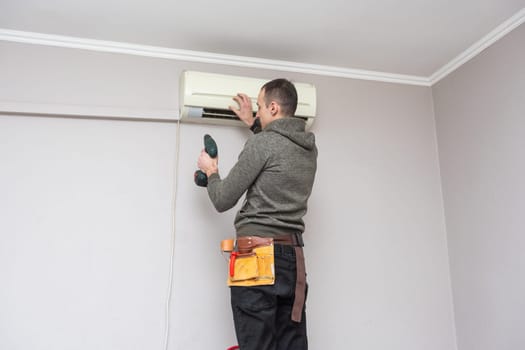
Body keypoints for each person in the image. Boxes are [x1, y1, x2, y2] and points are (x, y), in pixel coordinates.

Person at [197, 78, 317, 350]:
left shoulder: (263, 144)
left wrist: (211, 172)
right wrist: (253, 122)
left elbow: (222, 199)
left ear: (274, 108)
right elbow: (278, 156)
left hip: (256, 257)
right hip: (293, 261)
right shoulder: (309, 149)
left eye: (261, 107)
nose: (259, 112)